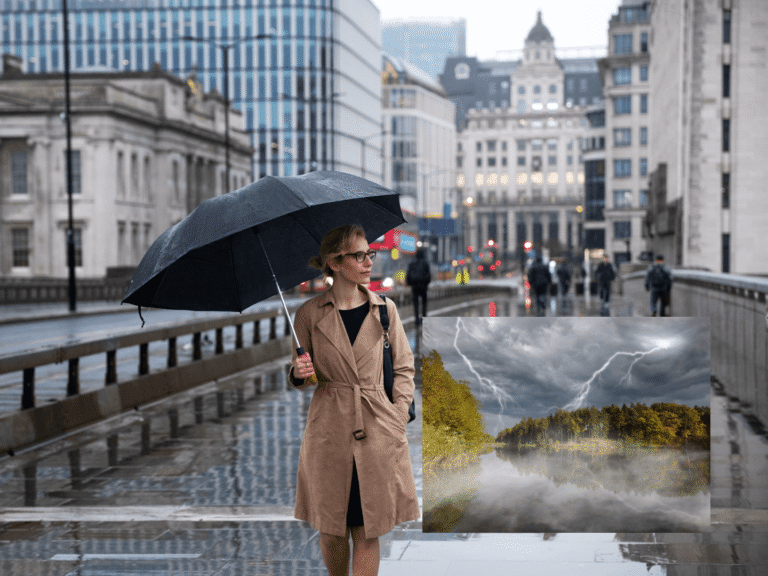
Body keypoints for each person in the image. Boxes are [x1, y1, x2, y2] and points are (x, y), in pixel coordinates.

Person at [289, 224, 419, 576]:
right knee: (331, 528)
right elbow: (305, 375)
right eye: (359, 255)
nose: (368, 262)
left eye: (369, 254)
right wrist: (301, 373)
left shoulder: (384, 310)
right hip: (329, 426)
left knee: (368, 527)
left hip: (377, 425)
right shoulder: (309, 314)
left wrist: (395, 415)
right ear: (334, 262)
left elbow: (405, 366)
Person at [406, 248, 431, 325]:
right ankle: (424, 318)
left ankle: (417, 319)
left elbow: (408, 275)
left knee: (416, 303)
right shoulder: (425, 263)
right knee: (424, 303)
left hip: (415, 287)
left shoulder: (412, 263)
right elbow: (428, 276)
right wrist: (426, 283)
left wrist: (409, 284)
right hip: (423, 286)